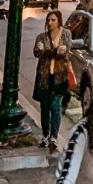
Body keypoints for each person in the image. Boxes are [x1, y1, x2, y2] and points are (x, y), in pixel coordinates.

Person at [33, 9, 72, 151]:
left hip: (59, 76)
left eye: (53, 20)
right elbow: (37, 52)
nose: (50, 23)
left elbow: (65, 51)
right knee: (44, 107)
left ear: (59, 21)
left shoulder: (66, 34)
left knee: (55, 107)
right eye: (48, 20)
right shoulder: (41, 36)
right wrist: (54, 52)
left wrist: (48, 52)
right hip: (44, 76)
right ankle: (45, 135)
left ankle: (53, 137)